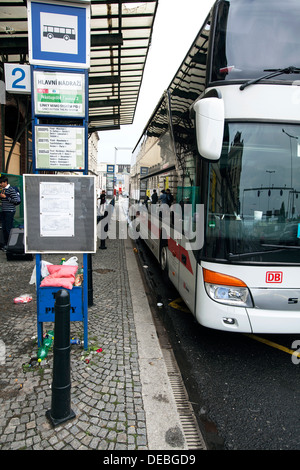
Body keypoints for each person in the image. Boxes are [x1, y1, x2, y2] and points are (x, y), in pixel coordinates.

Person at [0, 175, 19, 251]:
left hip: (10, 211)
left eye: (1, 183)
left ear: (5, 182)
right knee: (4, 228)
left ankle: (10, 245)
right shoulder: (3, 190)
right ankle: (5, 244)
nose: (0, 184)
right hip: (4, 210)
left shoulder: (11, 189)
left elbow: (16, 200)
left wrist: (5, 197)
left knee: (8, 228)